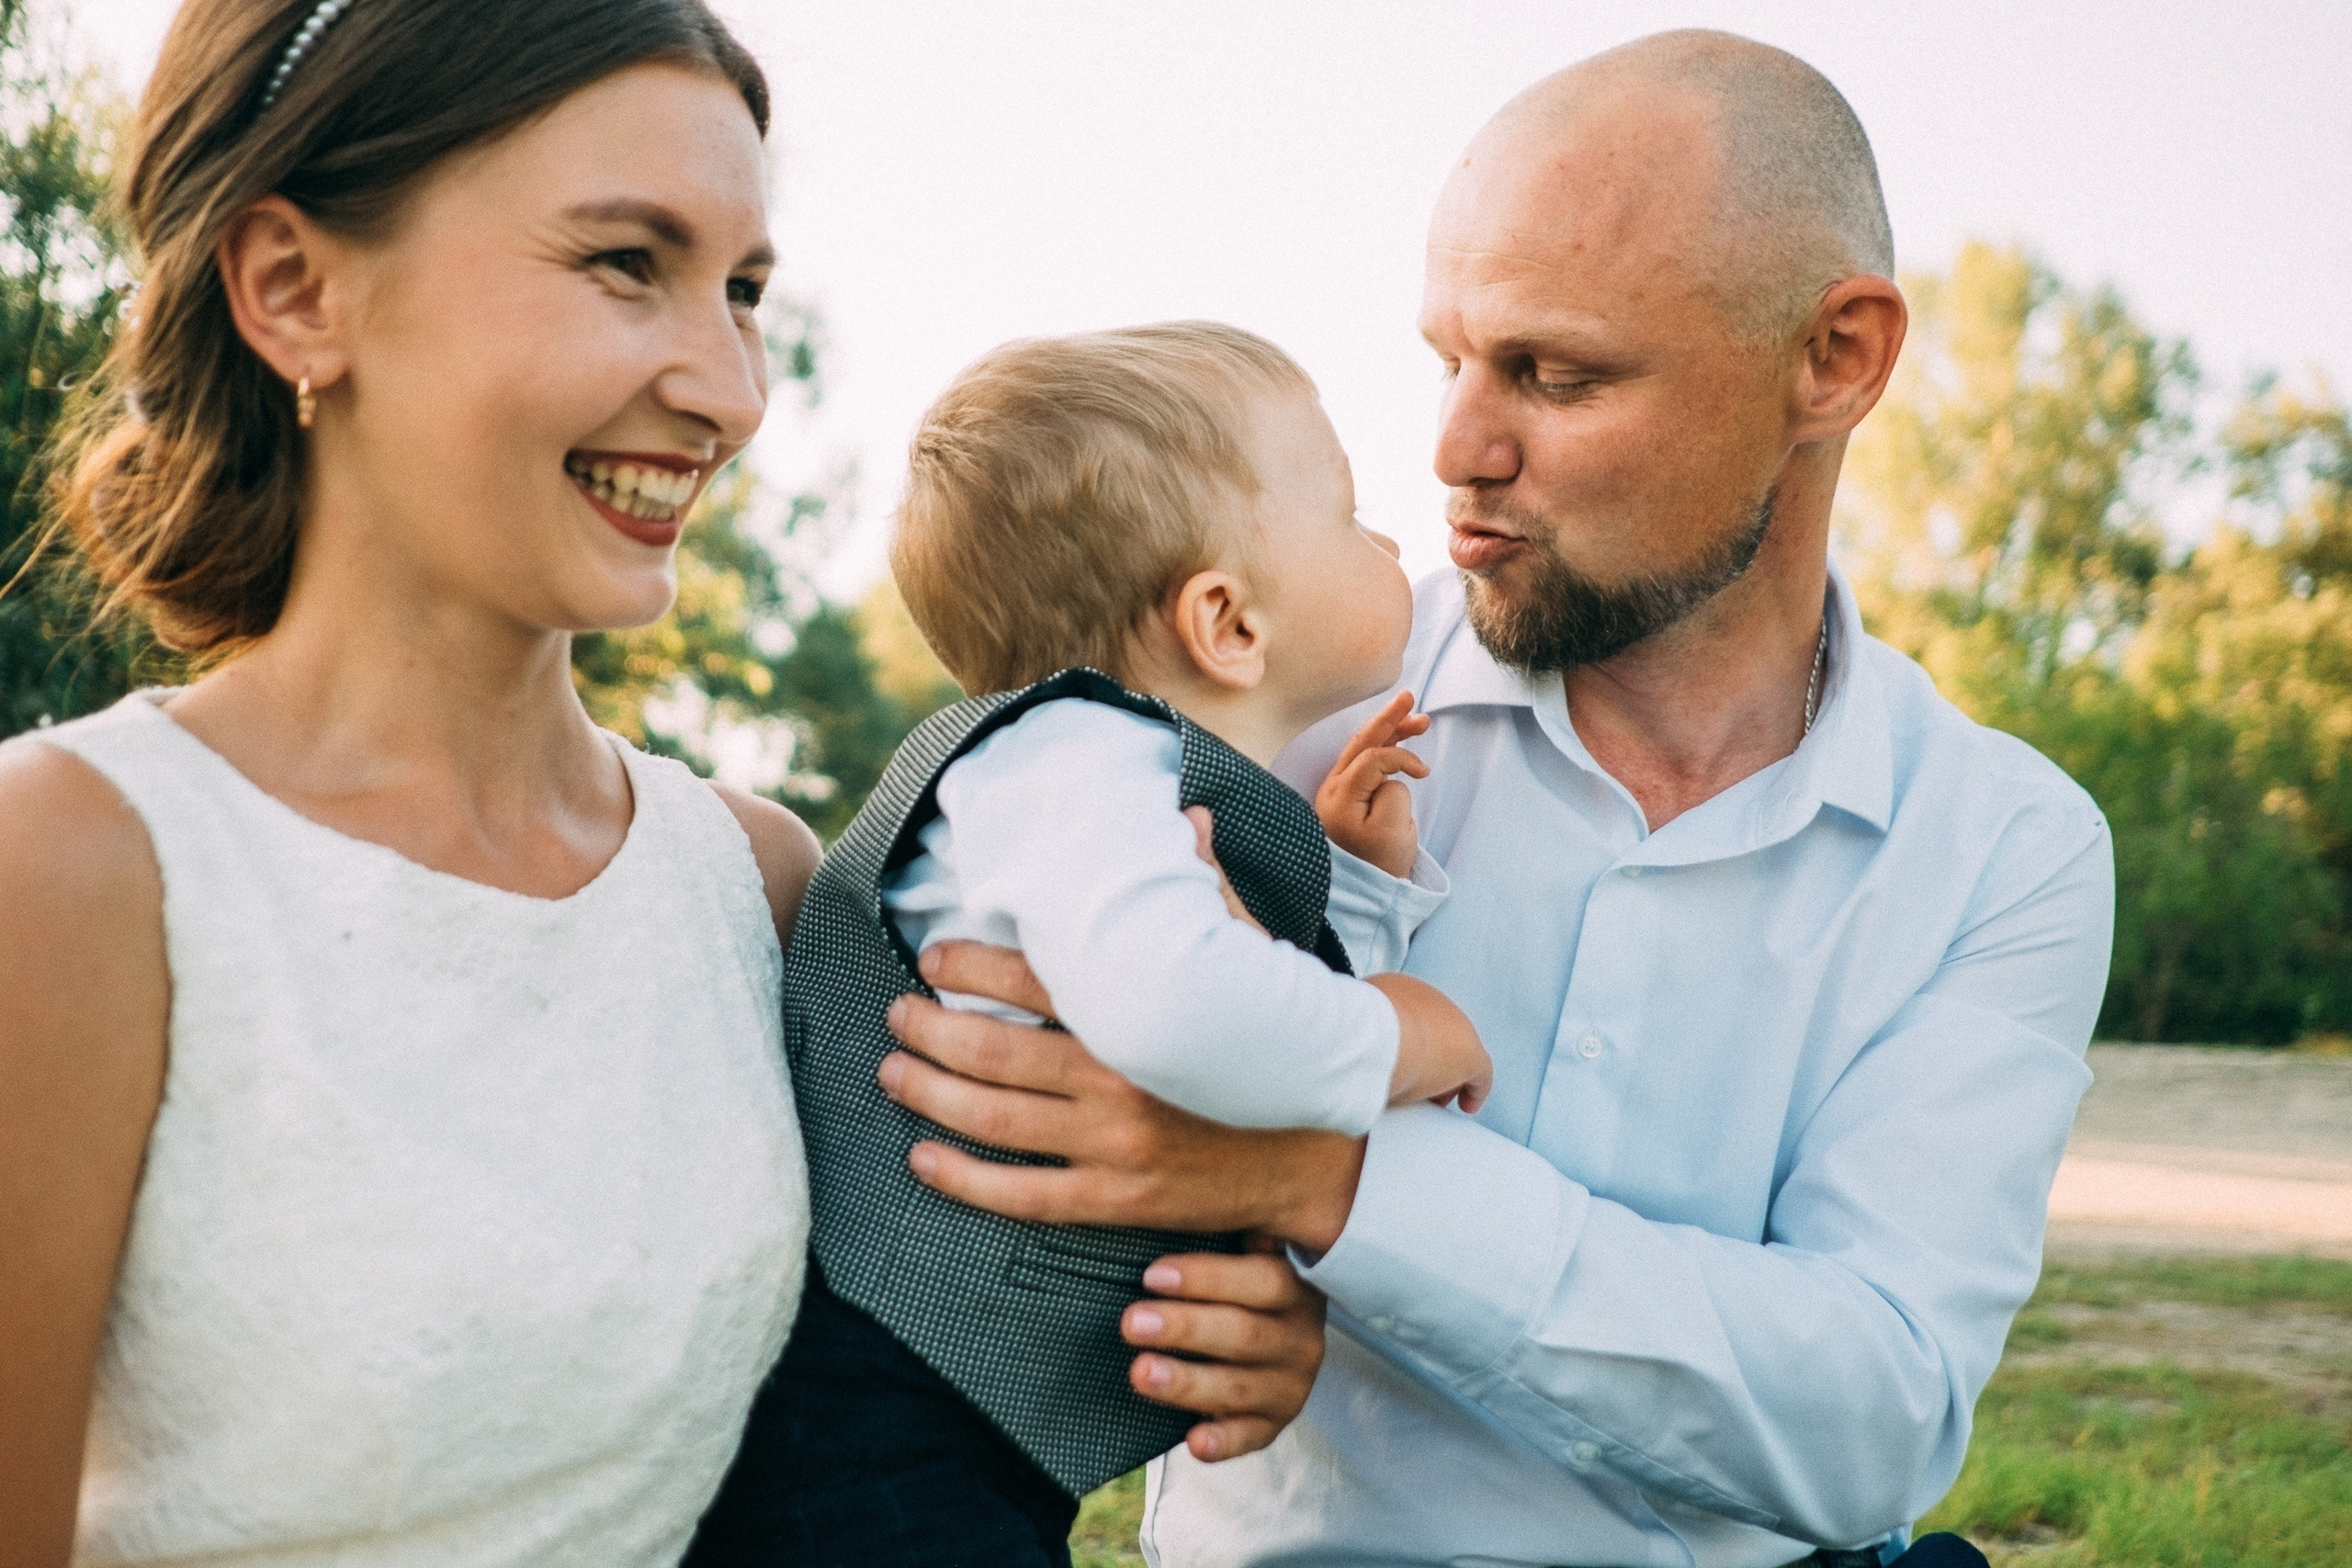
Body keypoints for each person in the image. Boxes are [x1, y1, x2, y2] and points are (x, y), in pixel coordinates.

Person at [0, 4, 1321, 1564]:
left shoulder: (758, 885)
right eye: (626, 263)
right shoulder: (77, 868)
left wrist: (1223, 1285)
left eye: (744, 289)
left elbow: (903, 1374)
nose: (732, 388)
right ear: (296, 292)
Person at [868, 29, 2115, 1568]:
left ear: (1834, 359)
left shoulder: (2007, 848)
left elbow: (1871, 1420)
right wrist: (1195, 1290)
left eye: (1557, 372)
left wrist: (1321, 1182)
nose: (1457, 450)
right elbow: (1001, 1101)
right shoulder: (1259, 700)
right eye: (1448, 360)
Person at [687, 323, 1487, 1567]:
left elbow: (1210, 988)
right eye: (1349, 511)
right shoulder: (1071, 756)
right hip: (873, 1417)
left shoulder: (1113, 797)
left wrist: (1357, 893)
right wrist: (1401, 1027)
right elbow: (1188, 1016)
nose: (1392, 542)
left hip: (950, 1427)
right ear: (1225, 621)